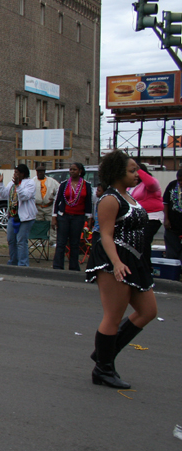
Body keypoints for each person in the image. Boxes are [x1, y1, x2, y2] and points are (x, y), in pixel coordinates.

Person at [85, 150, 157, 389]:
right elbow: (105, 234)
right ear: (118, 173)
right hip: (114, 259)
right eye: (132, 170)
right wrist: (116, 263)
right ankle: (103, 370)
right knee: (113, 317)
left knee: (148, 311)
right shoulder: (110, 199)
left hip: (134, 261)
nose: (138, 174)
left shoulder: (131, 197)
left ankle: (105, 353)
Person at [52, 163, 93, 271]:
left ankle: (74, 267)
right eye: (71, 169)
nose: (72, 171)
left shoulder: (86, 185)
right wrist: (54, 217)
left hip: (78, 217)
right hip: (64, 216)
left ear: (80, 171)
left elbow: (89, 202)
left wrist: (88, 218)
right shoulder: (64, 184)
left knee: (75, 243)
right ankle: (57, 266)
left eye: (74, 169)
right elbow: (57, 201)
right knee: (61, 242)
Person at [0, 164, 36, 267]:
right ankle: (13, 262)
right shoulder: (12, 183)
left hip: (25, 217)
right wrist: (1, 183)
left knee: (21, 241)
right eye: (14, 173)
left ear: (23, 174)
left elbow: (24, 196)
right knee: (11, 240)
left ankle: (23, 264)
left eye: (17, 173)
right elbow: (4, 194)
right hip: (13, 216)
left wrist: (18, 185)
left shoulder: (30, 183)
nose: (15, 175)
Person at [131, 163, 164, 261]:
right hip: (139, 218)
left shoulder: (150, 184)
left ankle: (147, 267)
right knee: (138, 242)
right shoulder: (133, 186)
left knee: (144, 240)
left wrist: (139, 170)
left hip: (152, 217)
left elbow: (151, 183)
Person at [162, 169, 182, 263]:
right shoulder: (172, 185)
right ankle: (173, 270)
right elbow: (165, 202)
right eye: (179, 180)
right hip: (172, 225)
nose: (180, 182)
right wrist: (166, 219)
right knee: (172, 251)